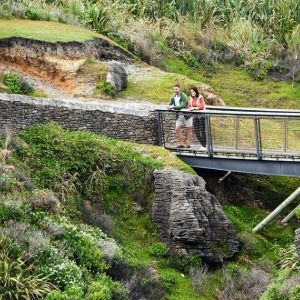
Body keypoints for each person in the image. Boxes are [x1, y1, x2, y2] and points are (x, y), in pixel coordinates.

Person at [168, 84, 192, 148]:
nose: (175, 90)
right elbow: (169, 104)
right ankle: (181, 144)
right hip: (179, 115)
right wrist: (168, 106)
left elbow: (182, 106)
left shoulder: (184, 96)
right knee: (177, 129)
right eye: (174, 89)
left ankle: (188, 144)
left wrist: (173, 107)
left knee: (189, 129)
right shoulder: (173, 97)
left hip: (187, 115)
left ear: (179, 89)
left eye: (176, 89)